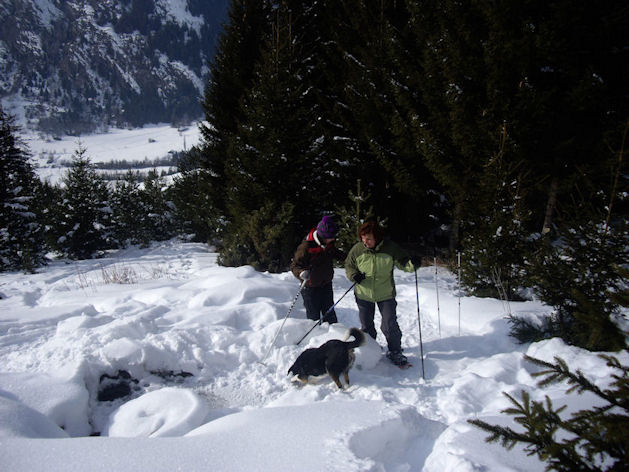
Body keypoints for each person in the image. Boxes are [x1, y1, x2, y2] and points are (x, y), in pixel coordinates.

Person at [345, 220, 417, 366]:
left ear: (377, 237)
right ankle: (369, 351)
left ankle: (395, 351)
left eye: (369, 238)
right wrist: (354, 275)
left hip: (386, 294)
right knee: (366, 326)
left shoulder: (390, 248)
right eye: (363, 238)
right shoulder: (358, 249)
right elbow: (349, 265)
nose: (365, 242)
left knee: (389, 324)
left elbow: (404, 263)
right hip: (364, 294)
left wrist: (413, 264)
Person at [290, 216, 346, 324]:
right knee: (313, 319)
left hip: (326, 285)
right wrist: (301, 273)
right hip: (310, 288)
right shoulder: (306, 247)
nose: (333, 239)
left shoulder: (328, 243)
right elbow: (294, 265)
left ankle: (332, 337)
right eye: (331, 237)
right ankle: (315, 339)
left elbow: (337, 254)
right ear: (323, 236)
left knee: (330, 315)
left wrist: (351, 259)